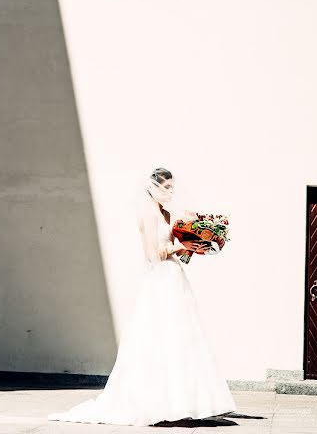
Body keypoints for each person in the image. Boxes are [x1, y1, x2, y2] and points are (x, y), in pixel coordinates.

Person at [47, 167, 236, 426]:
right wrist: (181, 246)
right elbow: (152, 253)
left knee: (181, 336)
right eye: (166, 187)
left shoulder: (168, 214)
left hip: (175, 278)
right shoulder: (148, 213)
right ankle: (152, 402)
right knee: (156, 336)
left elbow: (175, 250)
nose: (171, 192)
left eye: (172, 187)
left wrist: (197, 244)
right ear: (153, 187)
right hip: (158, 281)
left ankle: (181, 403)